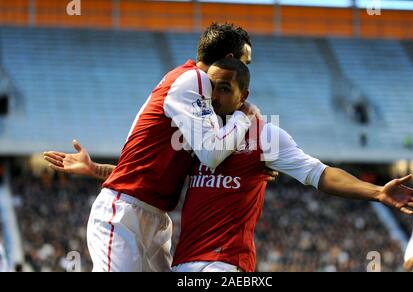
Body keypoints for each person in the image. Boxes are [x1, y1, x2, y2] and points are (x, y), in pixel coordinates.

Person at [47, 59, 413, 272]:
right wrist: (97, 169)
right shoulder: (193, 138)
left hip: (226, 266)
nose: (214, 95)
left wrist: (376, 191)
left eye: (225, 88)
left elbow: (319, 173)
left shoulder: (265, 136)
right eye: (211, 85)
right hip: (181, 265)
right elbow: (153, 181)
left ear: (244, 95)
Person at [44, 23, 261, 272]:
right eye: (246, 63)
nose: (247, 71)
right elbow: (212, 154)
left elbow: (147, 165)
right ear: (230, 60)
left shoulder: (198, 93)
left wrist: (96, 169)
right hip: (124, 216)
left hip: (153, 219)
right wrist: (246, 116)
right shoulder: (195, 79)